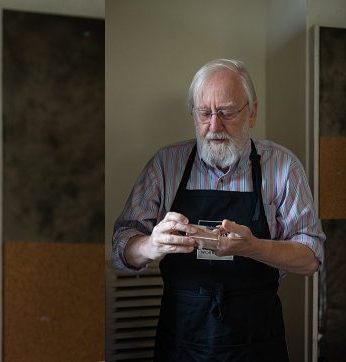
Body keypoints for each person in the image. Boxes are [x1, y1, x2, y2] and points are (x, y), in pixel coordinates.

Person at [112, 59, 325, 361]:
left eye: (225, 112)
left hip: (256, 341)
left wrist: (253, 248)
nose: (214, 126)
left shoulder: (282, 167)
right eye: (204, 113)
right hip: (182, 340)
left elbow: (312, 257)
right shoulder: (165, 165)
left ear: (252, 113)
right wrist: (150, 244)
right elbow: (121, 249)